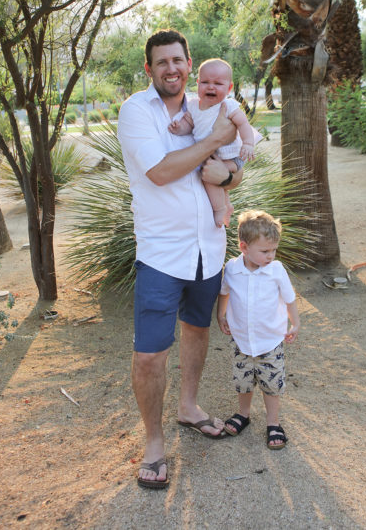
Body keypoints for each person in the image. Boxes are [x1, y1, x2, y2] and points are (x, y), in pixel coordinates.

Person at [118, 29, 242, 490]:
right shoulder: (136, 111)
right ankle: (153, 442)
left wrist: (228, 173)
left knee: (198, 330)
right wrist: (216, 145)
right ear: (149, 69)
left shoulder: (207, 104)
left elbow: (234, 169)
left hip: (208, 249)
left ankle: (188, 407)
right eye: (161, 62)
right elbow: (162, 171)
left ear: (190, 63)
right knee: (150, 353)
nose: (172, 69)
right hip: (161, 253)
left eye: (178, 60)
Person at [217, 210, 300, 450]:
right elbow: (225, 292)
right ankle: (243, 414)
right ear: (244, 247)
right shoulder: (232, 269)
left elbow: (289, 298)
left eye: (273, 250)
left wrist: (295, 322)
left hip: (270, 341)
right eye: (265, 251)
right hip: (241, 340)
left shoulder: (276, 270)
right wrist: (220, 314)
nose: (270, 256)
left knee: (271, 383)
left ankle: (273, 423)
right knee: (243, 380)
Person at [167, 57, 260, 227]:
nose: (211, 87)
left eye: (218, 83)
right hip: (214, 155)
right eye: (205, 82)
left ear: (229, 87)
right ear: (198, 83)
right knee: (212, 173)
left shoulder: (228, 106)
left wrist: (248, 143)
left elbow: (243, 123)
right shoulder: (194, 106)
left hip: (231, 157)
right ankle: (227, 204)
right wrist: (179, 128)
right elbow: (189, 124)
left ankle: (219, 210)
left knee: (209, 176)